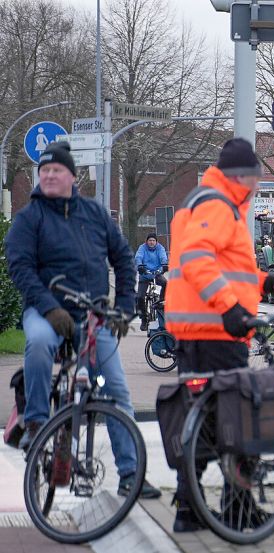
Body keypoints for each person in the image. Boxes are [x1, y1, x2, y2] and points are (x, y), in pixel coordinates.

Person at [4, 141, 161, 499]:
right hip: (47, 312)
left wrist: (124, 307)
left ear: (72, 176)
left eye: (55, 171)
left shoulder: (94, 213)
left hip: (93, 316)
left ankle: (131, 474)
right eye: (43, 172)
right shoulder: (30, 218)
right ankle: (36, 423)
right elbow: (21, 268)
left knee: (116, 390)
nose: (49, 176)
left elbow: (123, 259)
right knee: (41, 343)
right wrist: (48, 307)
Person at [164, 138, 274, 532]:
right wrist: (231, 308)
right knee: (239, 420)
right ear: (244, 177)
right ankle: (238, 507)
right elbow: (196, 259)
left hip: (192, 331)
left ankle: (189, 509)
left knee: (200, 420)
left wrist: (263, 281)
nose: (257, 186)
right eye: (255, 177)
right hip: (218, 330)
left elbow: (221, 265)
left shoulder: (201, 201)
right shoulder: (219, 206)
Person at [135, 233, 169, 331]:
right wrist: (140, 266)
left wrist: (164, 265)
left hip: (156, 273)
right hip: (145, 274)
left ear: (156, 242)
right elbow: (138, 257)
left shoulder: (160, 248)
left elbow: (163, 257)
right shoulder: (142, 248)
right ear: (147, 241)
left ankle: (161, 301)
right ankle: (144, 319)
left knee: (166, 284)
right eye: (150, 240)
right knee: (140, 297)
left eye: (153, 240)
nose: (151, 242)